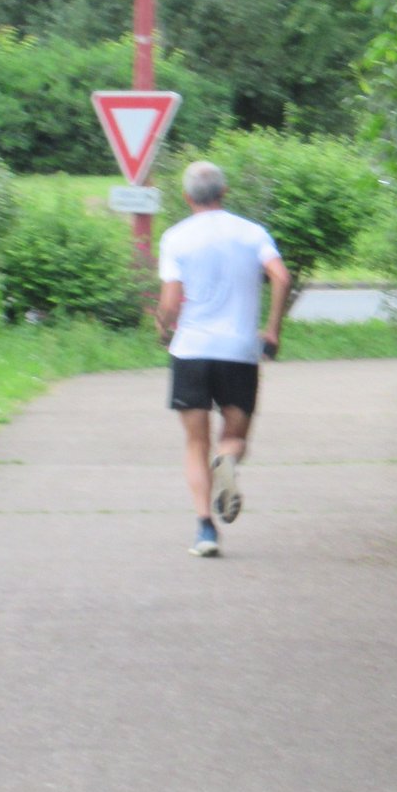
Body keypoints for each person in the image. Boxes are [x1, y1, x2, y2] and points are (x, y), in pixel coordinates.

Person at [156, 159, 291, 557]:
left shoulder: (175, 238)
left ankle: (205, 530)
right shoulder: (251, 233)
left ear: (186, 197)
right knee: (232, 438)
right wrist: (272, 330)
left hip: (192, 352)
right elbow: (281, 277)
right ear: (224, 192)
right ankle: (227, 461)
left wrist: (164, 326)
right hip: (239, 354)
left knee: (194, 442)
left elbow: (169, 302)